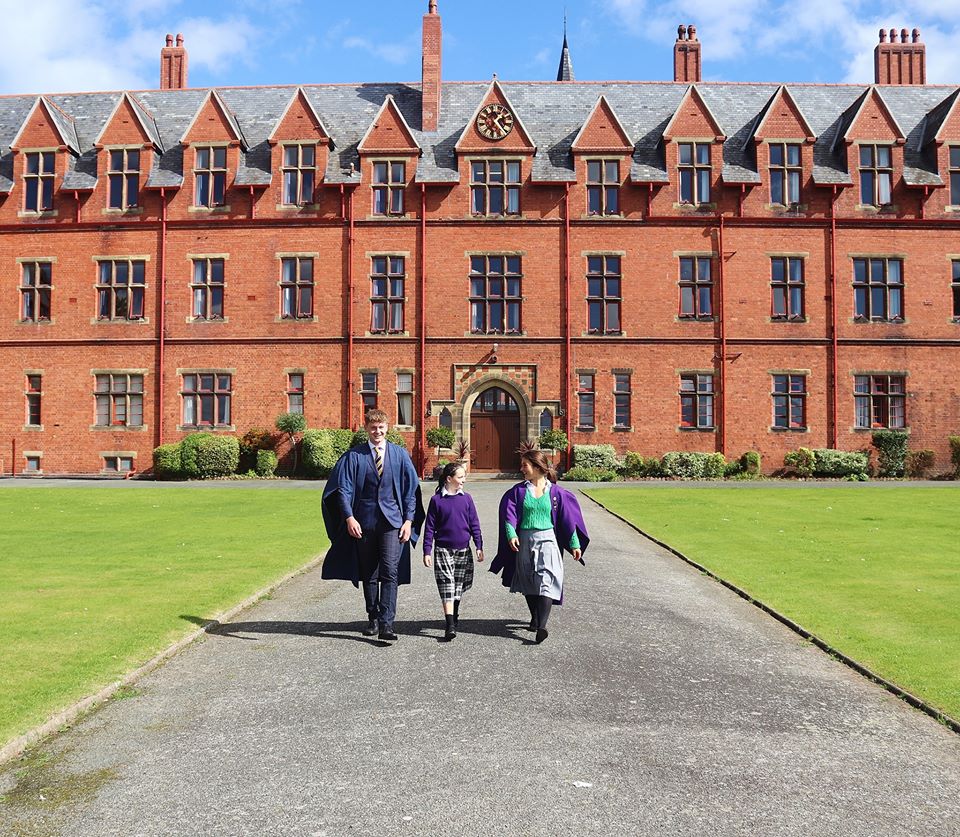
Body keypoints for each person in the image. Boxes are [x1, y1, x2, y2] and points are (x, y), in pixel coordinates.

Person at [321, 409, 424, 642]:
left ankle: (387, 624)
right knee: (369, 573)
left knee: (390, 571)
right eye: (373, 428)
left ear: (387, 428)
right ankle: (373, 618)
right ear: (366, 428)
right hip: (363, 522)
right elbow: (343, 490)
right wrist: (349, 518)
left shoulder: (399, 455)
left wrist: (409, 521)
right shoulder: (353, 456)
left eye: (381, 427)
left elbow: (410, 492)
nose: (377, 432)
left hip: (392, 523)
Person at [489, 444, 589, 644]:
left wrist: (575, 544)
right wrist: (511, 534)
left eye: (525, 465)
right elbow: (509, 515)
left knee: (547, 579)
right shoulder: (518, 492)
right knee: (529, 580)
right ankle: (535, 617)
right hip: (524, 540)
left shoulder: (557, 493)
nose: (522, 469)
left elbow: (567, 520)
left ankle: (541, 627)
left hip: (548, 541)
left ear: (537, 467)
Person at [422, 463, 484, 641]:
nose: (464, 480)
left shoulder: (467, 499)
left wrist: (479, 546)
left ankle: (454, 615)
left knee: (457, 586)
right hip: (443, 550)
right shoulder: (436, 500)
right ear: (449, 479)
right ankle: (449, 625)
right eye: (460, 477)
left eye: (464, 477)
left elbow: (474, 524)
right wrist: (427, 551)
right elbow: (429, 528)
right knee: (447, 585)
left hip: (463, 549)